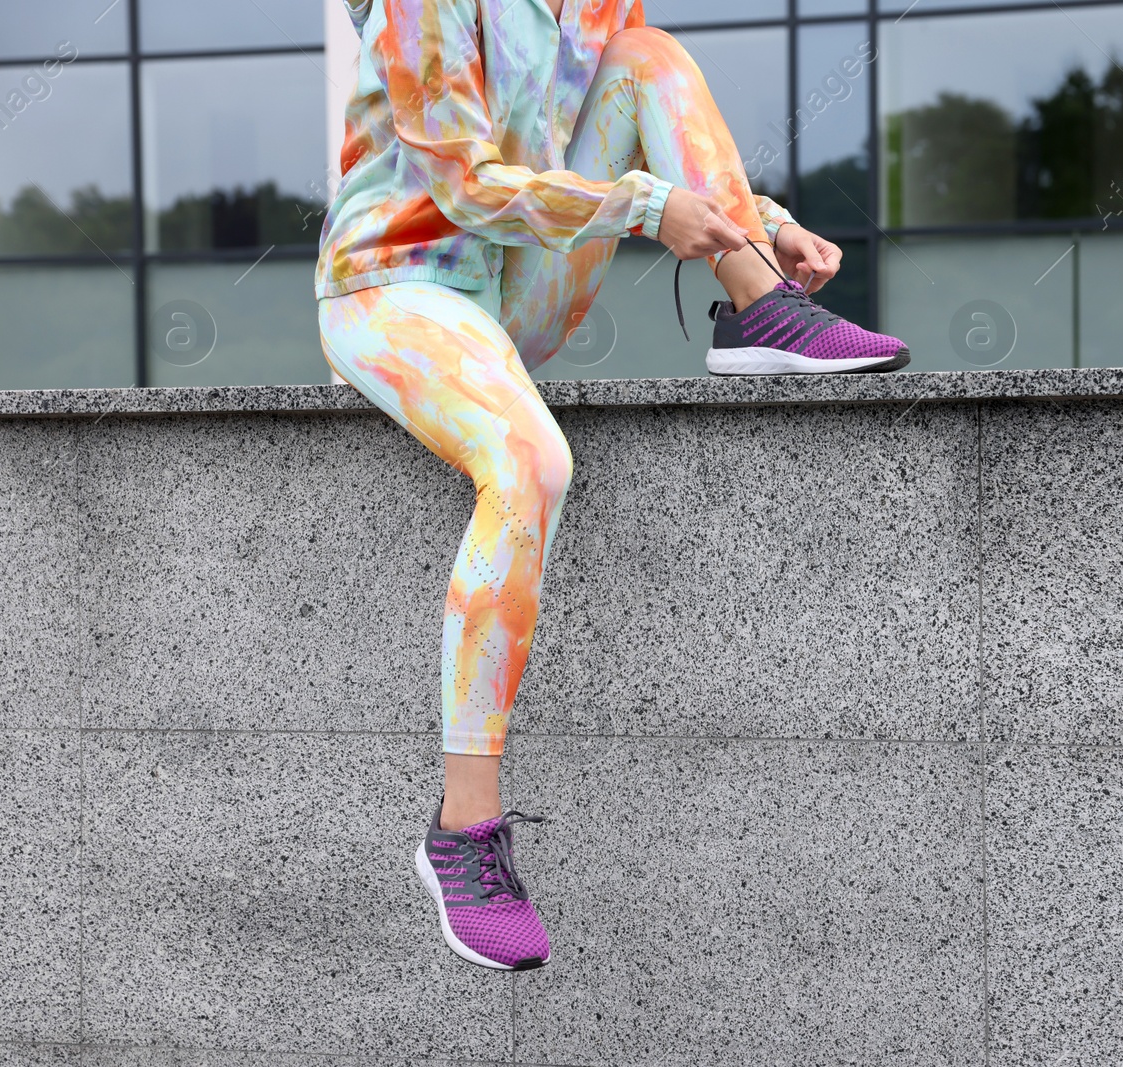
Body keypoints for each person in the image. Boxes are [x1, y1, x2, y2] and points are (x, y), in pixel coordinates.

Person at [314, 0, 910, 972]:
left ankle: (761, 302)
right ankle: (462, 831)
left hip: (520, 285)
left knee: (647, 56)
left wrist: (759, 225)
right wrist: (643, 208)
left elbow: (588, 138)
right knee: (532, 462)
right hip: (399, 282)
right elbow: (464, 182)